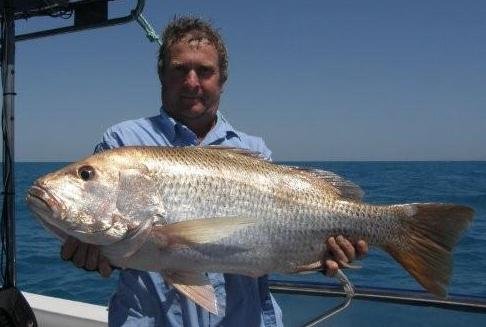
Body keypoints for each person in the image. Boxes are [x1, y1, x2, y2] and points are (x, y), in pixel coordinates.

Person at [60, 16, 368, 326]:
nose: (192, 82)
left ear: (222, 80)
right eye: (180, 69)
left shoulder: (254, 150)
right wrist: (94, 255)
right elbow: (113, 239)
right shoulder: (122, 143)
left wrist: (320, 258)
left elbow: (273, 240)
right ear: (161, 75)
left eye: (205, 71)